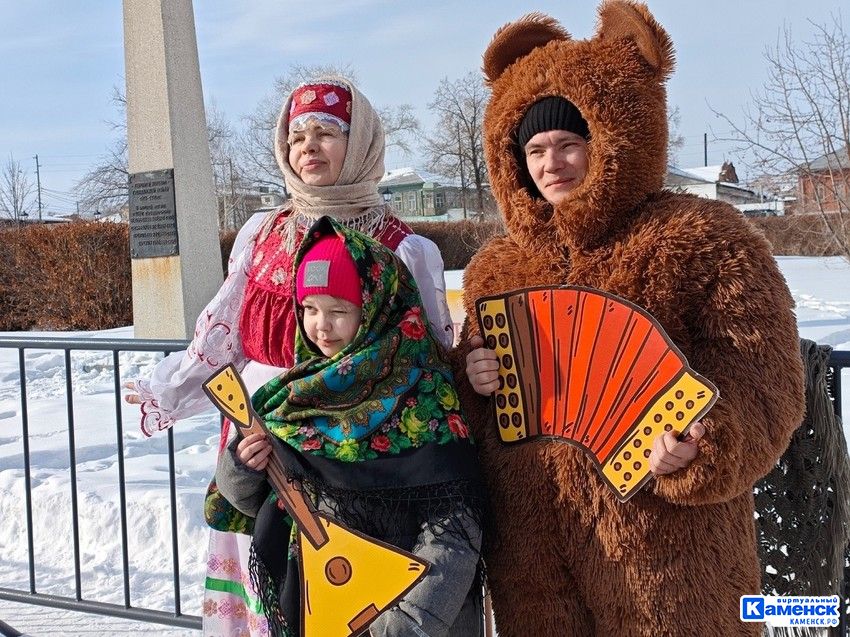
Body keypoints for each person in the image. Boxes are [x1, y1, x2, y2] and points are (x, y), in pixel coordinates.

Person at [454, 2, 805, 636]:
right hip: (533, 555)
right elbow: (477, 412)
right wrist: (470, 376)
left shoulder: (698, 236)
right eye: (534, 148)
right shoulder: (495, 270)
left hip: (668, 547)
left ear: (612, 138)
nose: (551, 163)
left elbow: (765, 375)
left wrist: (705, 443)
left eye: (569, 142)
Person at [123, 77, 454, 637]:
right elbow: (225, 330)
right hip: (258, 440)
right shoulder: (263, 233)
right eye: (296, 135)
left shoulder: (403, 248)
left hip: (355, 454)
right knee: (267, 587)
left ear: (363, 144)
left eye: (326, 132)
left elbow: (433, 354)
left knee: (343, 593)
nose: (308, 146)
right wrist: (172, 385)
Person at [211, 217, 483, 636]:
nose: (321, 326)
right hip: (321, 612)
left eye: (339, 311)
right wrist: (242, 467)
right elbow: (265, 507)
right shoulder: (298, 394)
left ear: (376, 307)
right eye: (310, 309)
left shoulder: (425, 392)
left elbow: (456, 530)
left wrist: (405, 623)